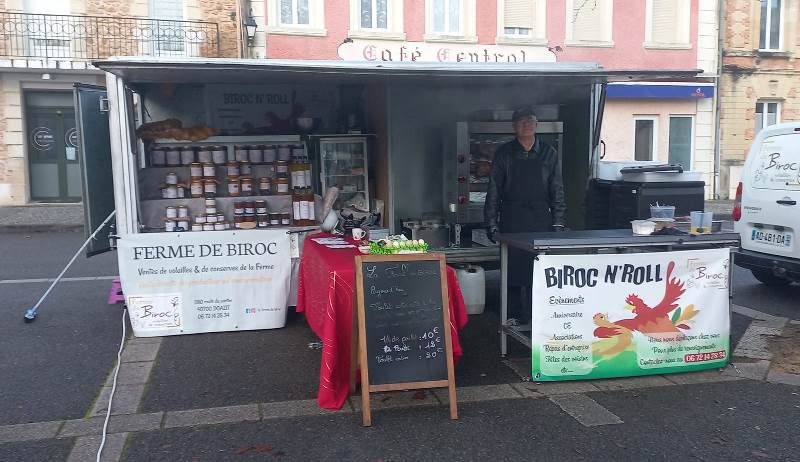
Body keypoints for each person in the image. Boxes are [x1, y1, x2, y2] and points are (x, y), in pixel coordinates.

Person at [484, 106, 566, 323]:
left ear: (536, 124)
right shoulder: (504, 154)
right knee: (511, 269)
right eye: (521, 121)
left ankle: (534, 317)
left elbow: (557, 189)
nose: (526, 124)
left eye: (530, 120)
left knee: (536, 270)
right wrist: (491, 224)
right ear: (514, 127)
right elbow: (493, 190)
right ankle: (510, 316)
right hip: (512, 217)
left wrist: (558, 222)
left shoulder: (549, 153)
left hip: (541, 219)